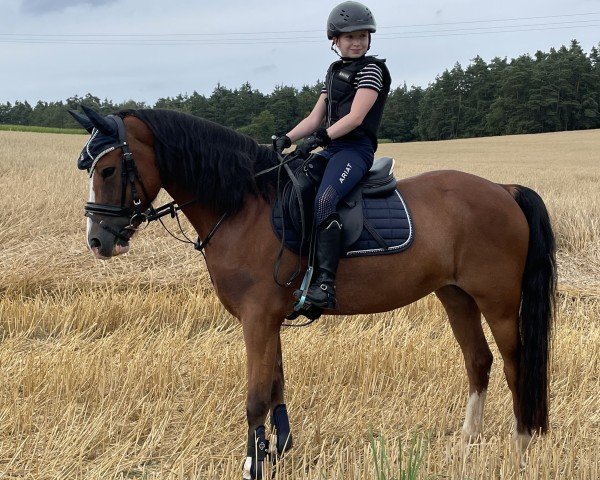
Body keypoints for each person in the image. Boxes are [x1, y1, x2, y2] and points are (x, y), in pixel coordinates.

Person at [273, 1, 391, 310]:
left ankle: (325, 283)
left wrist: (319, 139)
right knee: (295, 187)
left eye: (363, 36)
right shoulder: (334, 71)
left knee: (326, 201)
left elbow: (354, 118)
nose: (357, 42)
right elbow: (314, 118)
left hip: (355, 151)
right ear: (335, 40)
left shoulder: (372, 70)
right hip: (334, 149)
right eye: (350, 37)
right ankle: (301, 266)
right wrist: (286, 138)